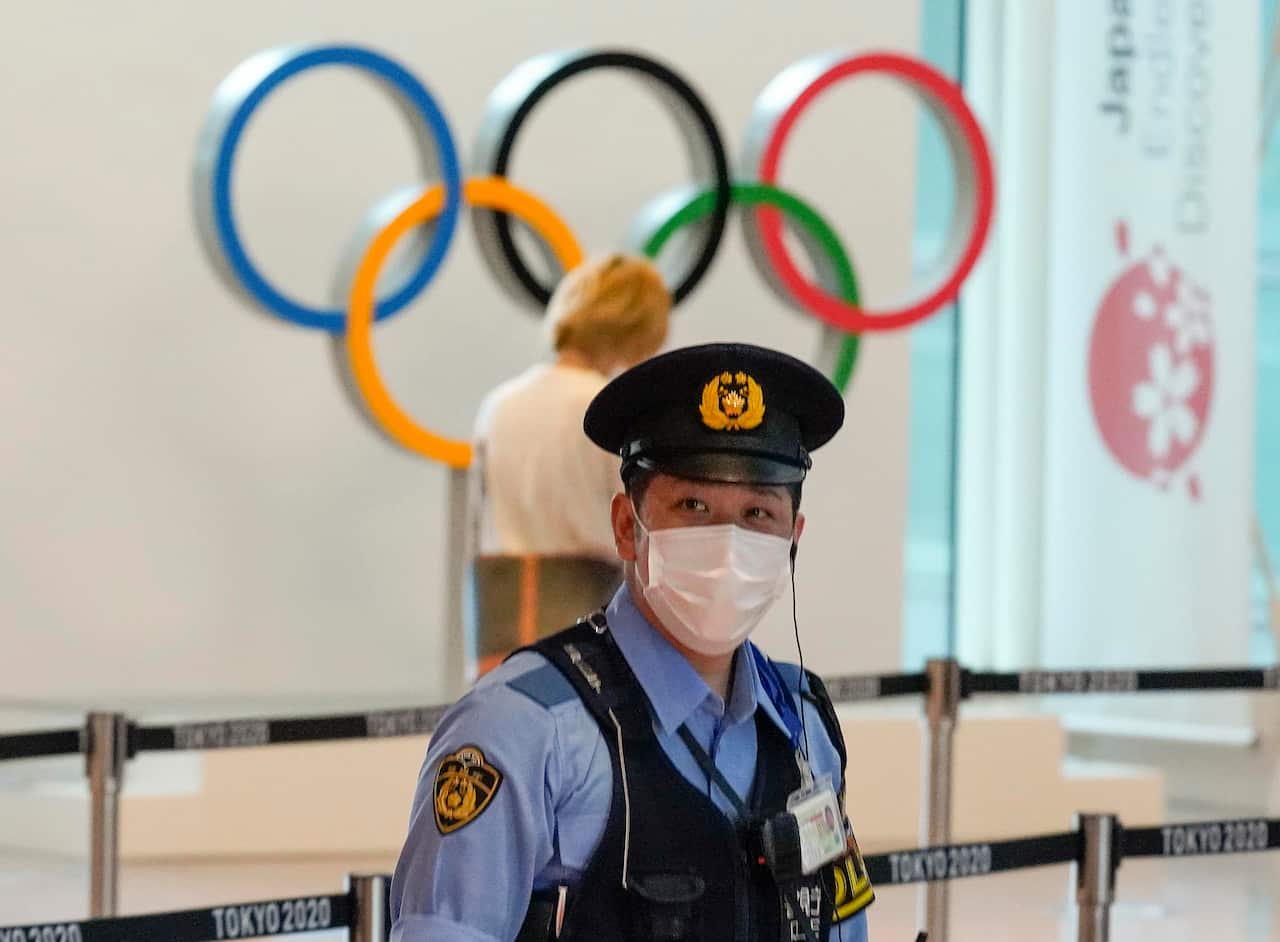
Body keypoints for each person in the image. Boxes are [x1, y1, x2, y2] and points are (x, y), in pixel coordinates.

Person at [394, 342, 873, 941]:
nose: (727, 542)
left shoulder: (803, 725)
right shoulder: (522, 729)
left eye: (757, 514)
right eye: (693, 505)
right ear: (628, 525)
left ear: (792, 538)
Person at [471, 253, 671, 561]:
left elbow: (479, 519)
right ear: (636, 331)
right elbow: (637, 522)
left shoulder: (498, 404)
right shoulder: (610, 409)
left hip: (508, 597)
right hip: (591, 591)